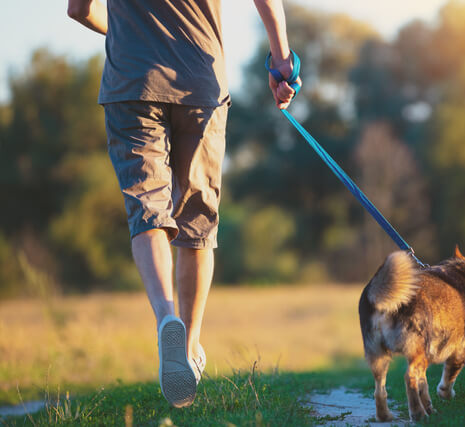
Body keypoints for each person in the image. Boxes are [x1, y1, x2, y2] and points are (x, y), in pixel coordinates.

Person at [67, 0, 301, 408]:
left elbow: (78, 9)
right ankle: (189, 348)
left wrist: (128, 32)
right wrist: (282, 60)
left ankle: (166, 318)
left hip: (132, 78)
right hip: (200, 79)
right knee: (197, 217)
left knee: (147, 208)